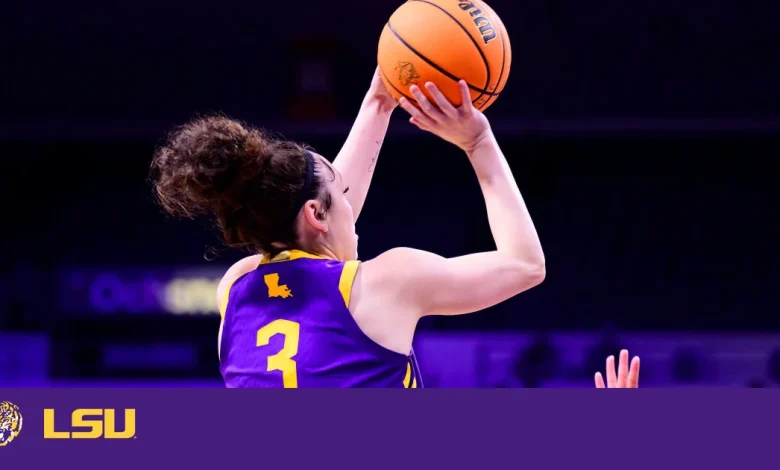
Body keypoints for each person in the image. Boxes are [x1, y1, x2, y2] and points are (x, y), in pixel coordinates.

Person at [151, 67, 631, 388]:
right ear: (316, 216)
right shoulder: (385, 283)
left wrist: (378, 102)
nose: (353, 207)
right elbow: (526, 264)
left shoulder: (236, 290)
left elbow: (310, 222)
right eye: (341, 194)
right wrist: (478, 142)